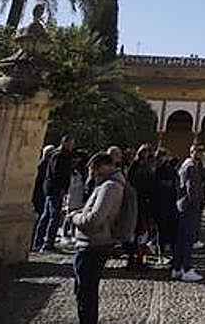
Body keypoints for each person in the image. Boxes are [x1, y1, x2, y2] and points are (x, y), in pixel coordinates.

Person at [70, 153, 126, 324]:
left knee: (86, 292)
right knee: (85, 290)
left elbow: (95, 219)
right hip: (95, 241)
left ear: (104, 166)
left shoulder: (110, 187)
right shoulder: (108, 185)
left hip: (94, 243)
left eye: (93, 168)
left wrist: (75, 217)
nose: (92, 173)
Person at [34, 136, 75, 252]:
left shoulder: (60, 155)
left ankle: (38, 241)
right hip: (55, 190)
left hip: (51, 189)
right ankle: (48, 243)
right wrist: (61, 188)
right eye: (71, 143)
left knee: (46, 216)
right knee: (54, 216)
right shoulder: (59, 156)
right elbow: (57, 174)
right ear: (65, 143)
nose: (72, 146)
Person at [172, 144, 205, 282]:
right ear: (192, 152)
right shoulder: (191, 167)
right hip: (189, 207)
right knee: (188, 239)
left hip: (182, 206)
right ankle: (186, 268)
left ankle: (177, 268)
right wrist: (197, 205)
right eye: (199, 151)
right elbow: (192, 189)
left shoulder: (186, 165)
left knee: (181, 239)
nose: (201, 154)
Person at [125, 144, 155, 270]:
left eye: (147, 151)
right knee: (134, 232)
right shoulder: (135, 166)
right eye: (144, 151)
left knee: (142, 233)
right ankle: (131, 258)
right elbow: (129, 183)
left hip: (145, 203)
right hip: (135, 203)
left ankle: (140, 258)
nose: (145, 153)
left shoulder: (148, 166)